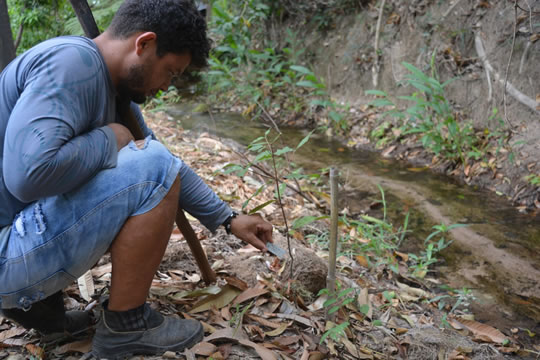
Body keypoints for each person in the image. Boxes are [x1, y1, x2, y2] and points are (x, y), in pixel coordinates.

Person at [0, 0, 273, 358]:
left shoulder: (113, 91)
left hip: (12, 246)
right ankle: (127, 326)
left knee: (155, 161)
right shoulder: (71, 64)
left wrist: (227, 218)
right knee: (153, 165)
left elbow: (166, 164)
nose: (165, 87)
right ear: (144, 44)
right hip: (7, 254)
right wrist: (109, 138)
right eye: (170, 73)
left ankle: (44, 312)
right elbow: (28, 177)